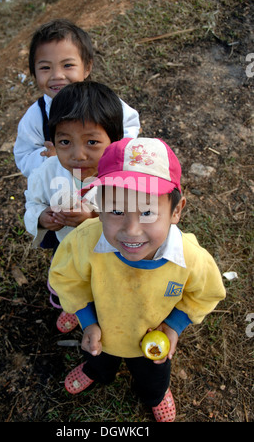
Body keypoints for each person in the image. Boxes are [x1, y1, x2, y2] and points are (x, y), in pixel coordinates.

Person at [48, 137, 226, 422]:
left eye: (147, 212)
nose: (131, 230)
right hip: (102, 332)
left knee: (154, 376)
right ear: (99, 206)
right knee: (98, 359)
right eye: (116, 211)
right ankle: (95, 372)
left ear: (176, 211)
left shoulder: (191, 259)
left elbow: (206, 293)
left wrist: (174, 326)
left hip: (149, 339)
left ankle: (156, 394)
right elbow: (67, 278)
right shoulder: (84, 241)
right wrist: (86, 319)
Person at [24, 81, 124, 334]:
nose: (78, 155)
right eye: (65, 142)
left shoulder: (122, 176)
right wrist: (41, 217)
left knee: (106, 284)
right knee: (71, 281)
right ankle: (73, 305)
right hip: (67, 245)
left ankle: (103, 309)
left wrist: (92, 216)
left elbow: (131, 216)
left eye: (92, 142)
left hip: (111, 252)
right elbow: (33, 201)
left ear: (114, 140)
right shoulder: (47, 172)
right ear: (53, 140)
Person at [13, 18, 141, 178]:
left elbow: (129, 124)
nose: (57, 75)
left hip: (104, 183)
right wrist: (50, 159)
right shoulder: (36, 116)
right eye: (45, 68)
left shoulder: (101, 101)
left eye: (67, 65)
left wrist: (112, 152)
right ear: (34, 72)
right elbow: (23, 155)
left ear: (87, 68)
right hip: (61, 191)